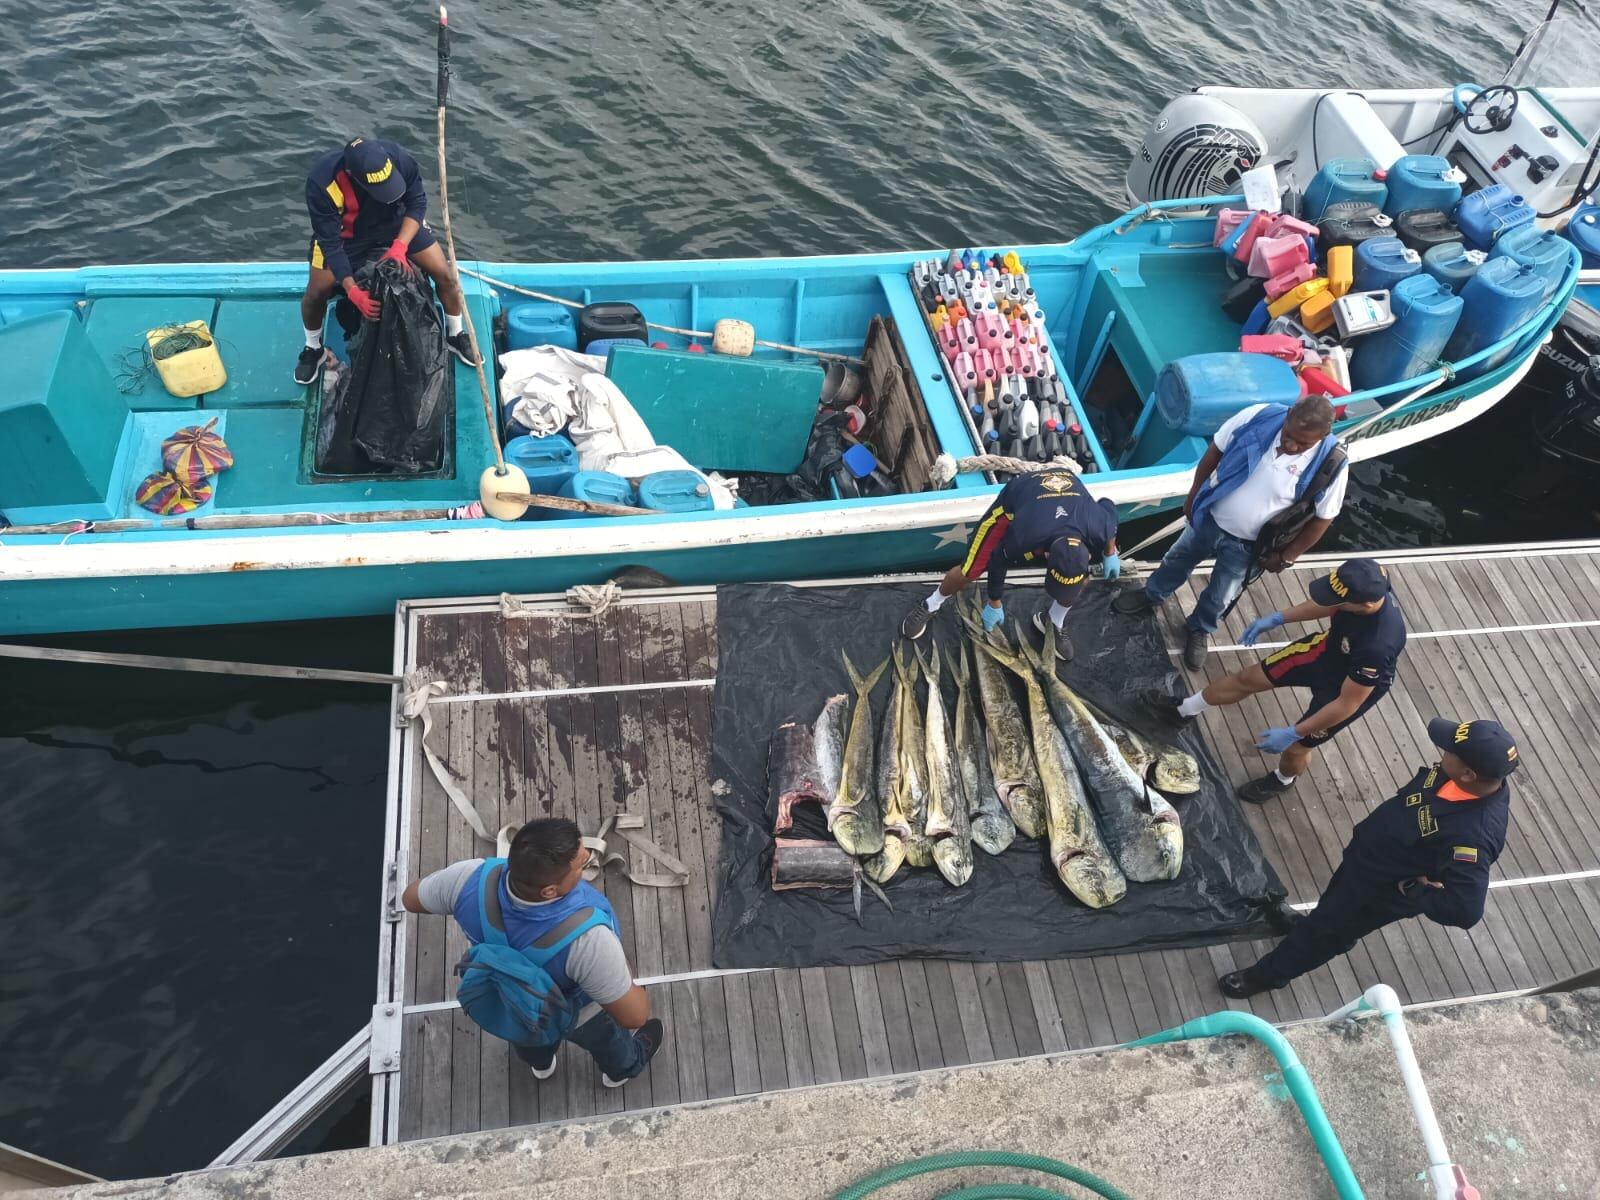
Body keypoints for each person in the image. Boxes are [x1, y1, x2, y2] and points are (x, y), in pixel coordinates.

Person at [1220, 716, 1518, 998]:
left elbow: (1465, 910)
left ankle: (1268, 976)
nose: (1443, 750)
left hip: (1378, 893)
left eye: (1450, 750)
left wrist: (1417, 892)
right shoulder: (1463, 780)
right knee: (1328, 912)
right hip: (1365, 863)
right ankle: (1313, 925)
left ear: (1469, 773)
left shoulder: (1473, 837)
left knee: (1326, 935)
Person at [401, 818, 665, 1086]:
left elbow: (410, 898)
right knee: (611, 1043)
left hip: (516, 1006)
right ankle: (620, 1072)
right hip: (581, 1014)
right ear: (550, 891)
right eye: (580, 867)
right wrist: (628, 982)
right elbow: (635, 1016)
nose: (586, 858)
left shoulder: (466, 878)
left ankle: (541, 1064)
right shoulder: (588, 941)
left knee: (529, 1036)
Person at [1112, 395, 1347, 669]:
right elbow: (1215, 450)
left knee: (1221, 593)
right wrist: (1193, 496)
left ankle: (1200, 628)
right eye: (1288, 434)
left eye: (1303, 444)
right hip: (1210, 517)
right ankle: (1152, 594)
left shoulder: (1332, 463)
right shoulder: (1257, 416)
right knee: (1177, 559)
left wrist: (1286, 556)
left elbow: (1323, 518)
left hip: (1249, 545)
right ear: (1289, 414)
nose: (1291, 444)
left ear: (1324, 435)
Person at [1157, 557, 1407, 804]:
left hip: (1348, 689)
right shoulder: (1368, 584)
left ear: (1366, 603)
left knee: (1297, 747)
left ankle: (1282, 780)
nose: (1334, 601)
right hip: (1326, 651)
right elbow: (1330, 603)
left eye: (1341, 600)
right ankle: (1184, 709)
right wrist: (1279, 617)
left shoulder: (1378, 645)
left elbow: (1346, 704)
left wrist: (1294, 732)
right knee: (1249, 678)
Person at [295, 136, 480, 385]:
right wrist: (352, 290)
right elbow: (329, 243)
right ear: (351, 173)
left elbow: (416, 202)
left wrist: (399, 246)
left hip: (394, 226)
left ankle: (455, 334)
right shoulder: (322, 181)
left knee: (444, 274)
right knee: (316, 292)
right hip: (346, 237)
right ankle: (313, 349)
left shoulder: (401, 159)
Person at [901, 468, 1120, 661]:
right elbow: (998, 557)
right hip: (1018, 498)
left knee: (1078, 581)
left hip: (1065, 486)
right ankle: (932, 603)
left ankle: (1053, 621)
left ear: (1088, 556)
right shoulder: (1024, 535)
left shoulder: (1100, 525)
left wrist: (1111, 552)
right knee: (971, 569)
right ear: (1045, 556)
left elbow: (1108, 506)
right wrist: (994, 600)